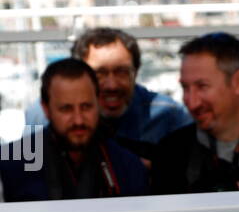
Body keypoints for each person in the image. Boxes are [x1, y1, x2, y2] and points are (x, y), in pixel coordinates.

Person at [24, 27, 191, 163]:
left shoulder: (169, 115)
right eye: (99, 73)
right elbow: (26, 174)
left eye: (122, 72)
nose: (112, 85)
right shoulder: (40, 115)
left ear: (136, 72)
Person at [0, 59, 149, 202]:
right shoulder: (11, 160)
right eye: (66, 109)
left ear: (98, 103)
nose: (78, 120)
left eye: (86, 107)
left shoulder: (127, 165)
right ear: (46, 108)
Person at [150, 33, 239, 193]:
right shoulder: (170, 153)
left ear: (238, 83)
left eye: (202, 86)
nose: (191, 102)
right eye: (185, 88)